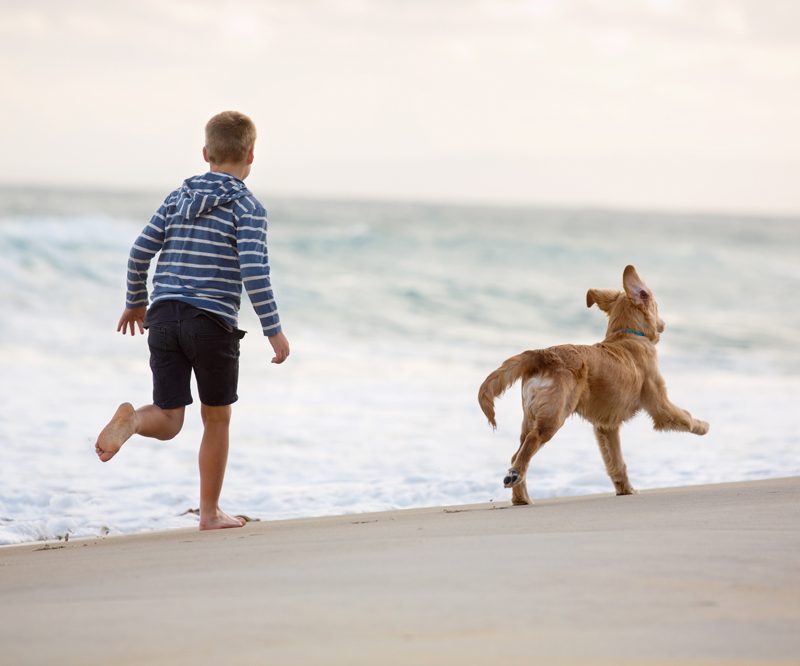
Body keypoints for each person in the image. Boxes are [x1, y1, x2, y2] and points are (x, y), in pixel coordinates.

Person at [95, 110, 290, 530]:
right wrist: (273, 329)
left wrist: (136, 301)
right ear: (252, 154)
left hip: (163, 317)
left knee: (168, 418)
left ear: (206, 152)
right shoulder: (248, 207)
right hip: (211, 322)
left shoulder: (177, 198)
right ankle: (209, 513)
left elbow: (139, 251)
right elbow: (255, 273)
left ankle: (133, 421)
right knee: (215, 418)